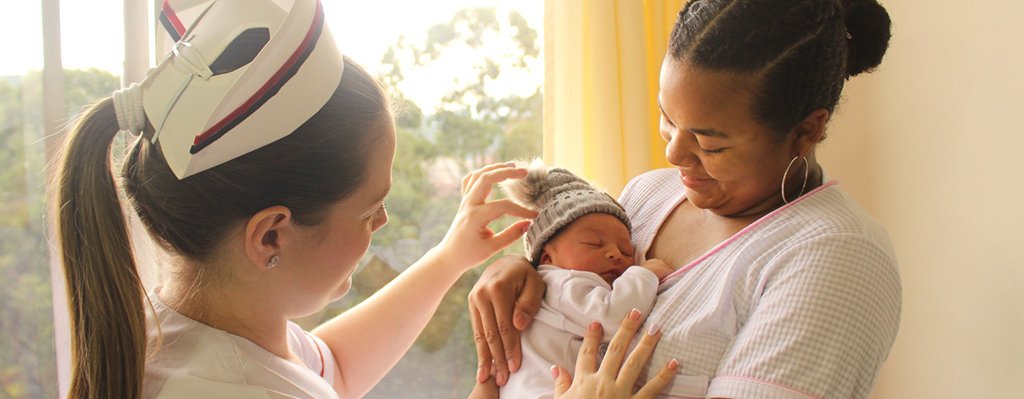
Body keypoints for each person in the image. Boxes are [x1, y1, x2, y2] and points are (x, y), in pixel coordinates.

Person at [469, 0, 902, 398]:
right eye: (667, 119)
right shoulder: (647, 194)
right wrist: (529, 272)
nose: (673, 153)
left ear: (806, 131)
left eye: (710, 144)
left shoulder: (836, 255)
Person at [496, 162, 675, 399]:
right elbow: (612, 318)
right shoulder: (559, 284)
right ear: (547, 256)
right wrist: (645, 274)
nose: (615, 254)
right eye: (593, 244)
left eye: (625, 249)